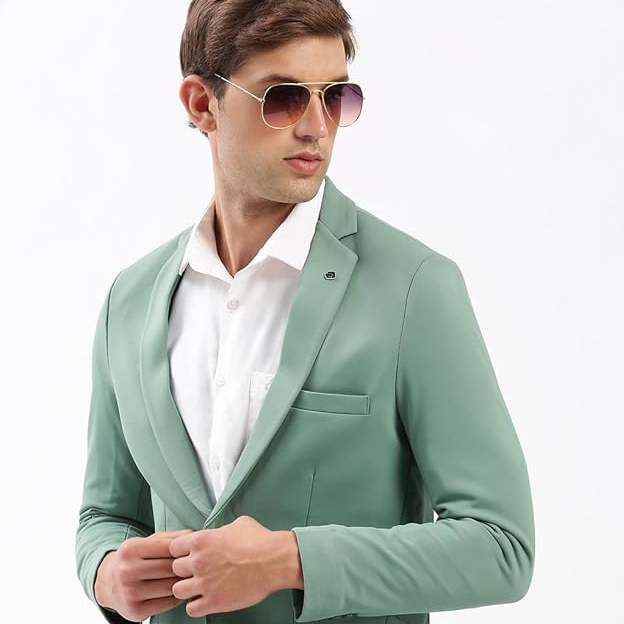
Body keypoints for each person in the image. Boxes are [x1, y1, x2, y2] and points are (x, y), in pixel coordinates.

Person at [75, 1, 535, 623]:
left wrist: (292, 561)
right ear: (202, 104)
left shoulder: (414, 288)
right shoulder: (128, 302)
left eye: (336, 96)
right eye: (285, 98)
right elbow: (105, 514)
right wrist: (105, 571)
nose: (318, 127)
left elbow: (502, 547)